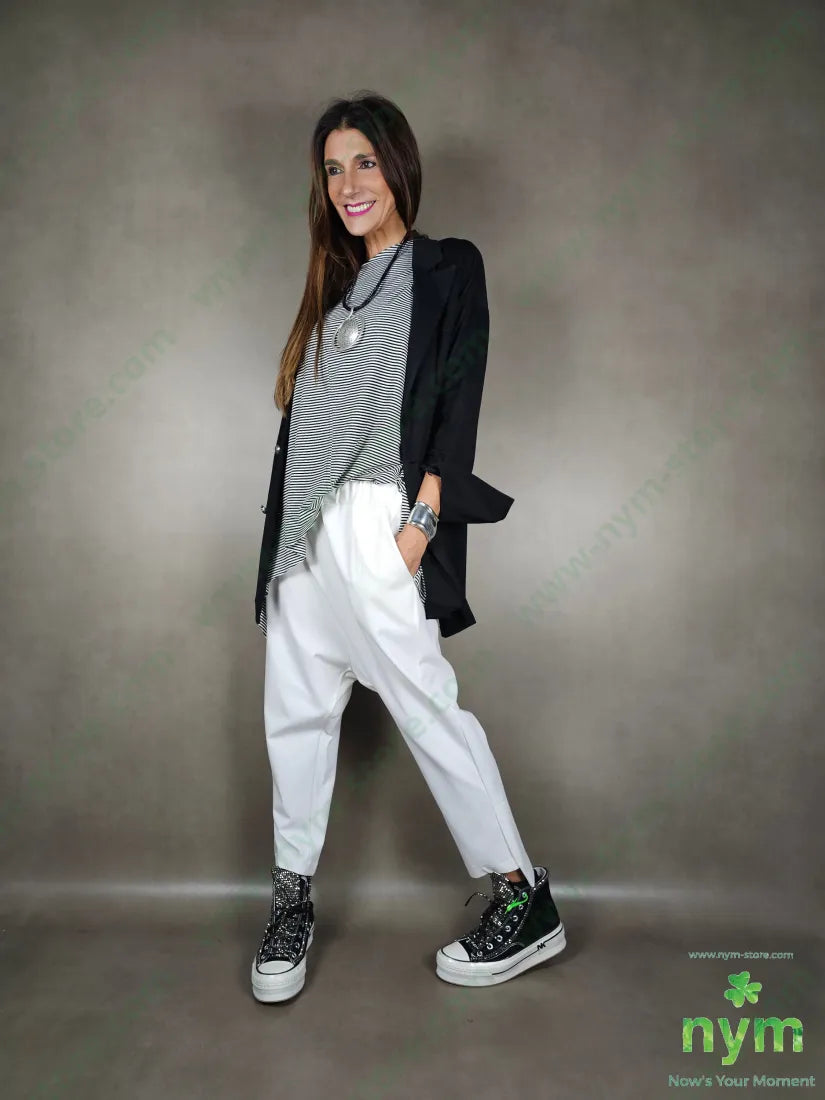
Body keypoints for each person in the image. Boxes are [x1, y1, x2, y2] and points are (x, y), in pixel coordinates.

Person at [250, 91, 565, 1003]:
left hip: (380, 526)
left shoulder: (447, 267)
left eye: (364, 162)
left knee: (428, 711)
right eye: (332, 168)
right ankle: (291, 899)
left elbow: (458, 395)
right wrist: (282, 549)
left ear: (398, 167)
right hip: (302, 538)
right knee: (295, 719)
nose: (348, 183)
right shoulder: (331, 290)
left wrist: (417, 526)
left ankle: (522, 896)